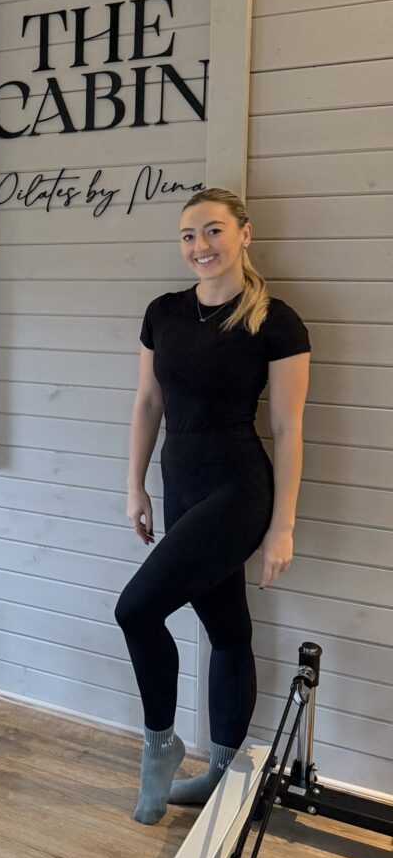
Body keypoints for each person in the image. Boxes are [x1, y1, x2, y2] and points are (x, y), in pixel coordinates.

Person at [116, 188, 311, 825]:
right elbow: (148, 405)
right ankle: (225, 777)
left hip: (237, 489)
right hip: (181, 482)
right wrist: (135, 485)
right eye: (188, 236)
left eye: (213, 231)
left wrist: (281, 525)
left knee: (137, 609)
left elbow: (287, 429)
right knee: (228, 629)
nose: (200, 246)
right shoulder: (163, 312)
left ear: (244, 235)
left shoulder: (275, 321)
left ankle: (160, 748)